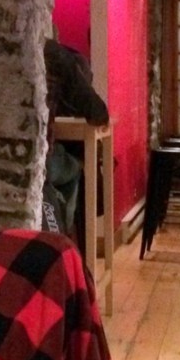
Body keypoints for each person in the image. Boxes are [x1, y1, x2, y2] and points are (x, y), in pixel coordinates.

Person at [42, 37, 109, 238]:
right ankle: (65, 236)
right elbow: (98, 112)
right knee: (77, 165)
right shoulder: (58, 57)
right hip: (43, 162)